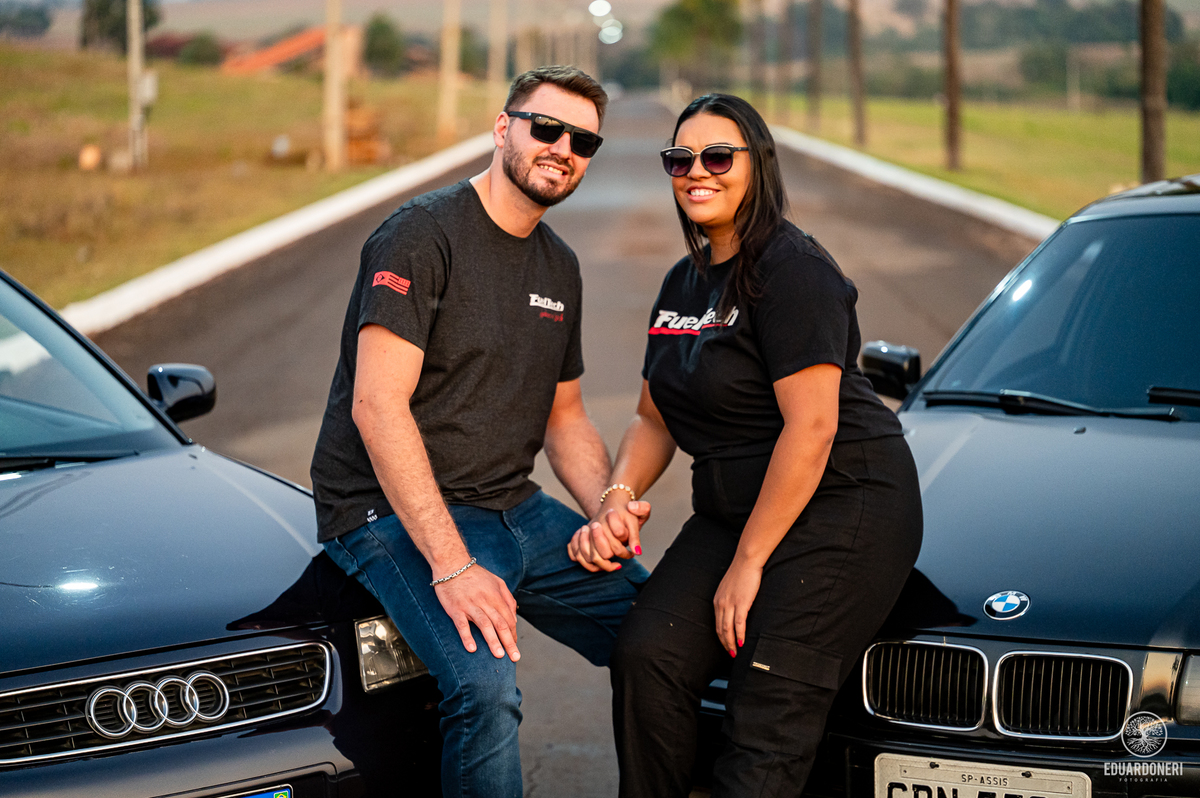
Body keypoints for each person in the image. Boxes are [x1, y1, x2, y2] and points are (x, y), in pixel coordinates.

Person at [567, 93, 924, 797]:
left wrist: (749, 563)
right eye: (681, 158)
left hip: (842, 506)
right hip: (736, 506)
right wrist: (614, 497)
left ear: (757, 164)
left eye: (718, 156)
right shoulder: (683, 282)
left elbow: (814, 427)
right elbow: (653, 418)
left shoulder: (794, 270)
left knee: (764, 703)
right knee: (647, 656)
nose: (697, 171)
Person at [310, 65, 650, 798]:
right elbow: (377, 406)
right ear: (504, 129)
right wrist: (456, 565)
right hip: (387, 512)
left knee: (660, 638)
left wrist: (606, 509)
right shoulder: (421, 237)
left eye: (583, 140)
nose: (563, 148)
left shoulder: (559, 266)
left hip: (512, 507)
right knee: (485, 690)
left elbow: (565, 417)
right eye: (546, 128)